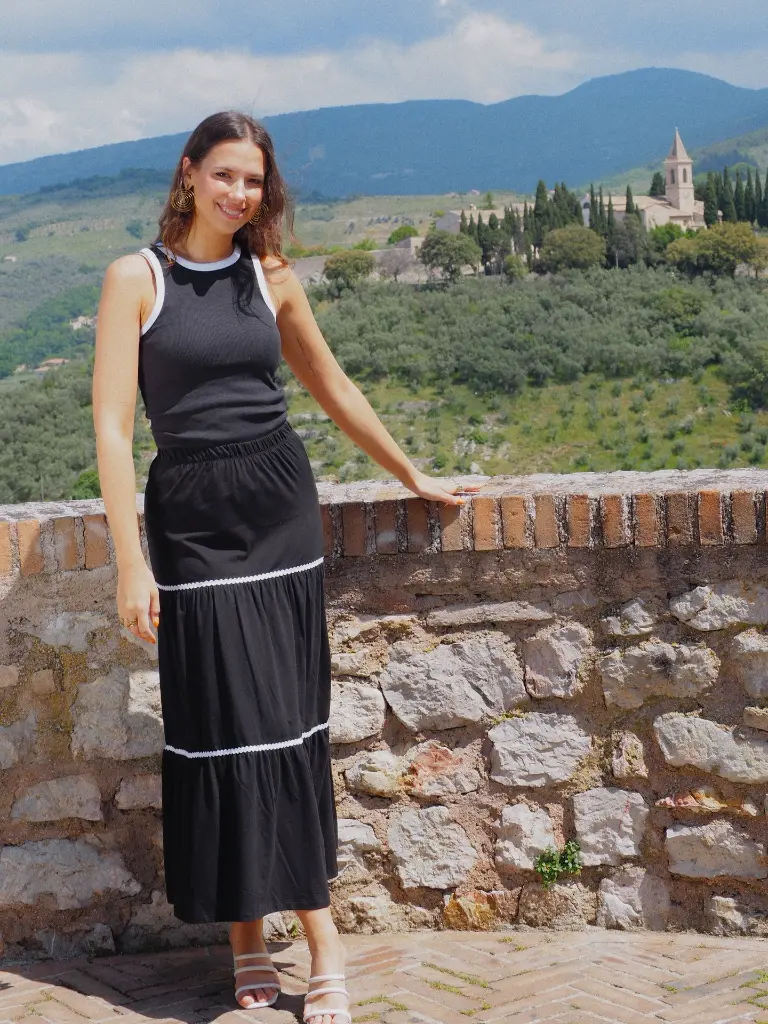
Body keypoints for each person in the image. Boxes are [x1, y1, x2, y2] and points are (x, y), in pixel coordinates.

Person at [92, 110, 479, 1024]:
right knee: (222, 724)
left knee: (282, 724)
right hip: (191, 525)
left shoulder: (271, 277)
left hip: (277, 515)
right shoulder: (135, 278)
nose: (238, 193)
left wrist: (410, 474)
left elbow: (332, 386)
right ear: (189, 173)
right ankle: (245, 935)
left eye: (253, 180)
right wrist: (129, 563)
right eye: (224, 174)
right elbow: (111, 427)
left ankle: (321, 940)